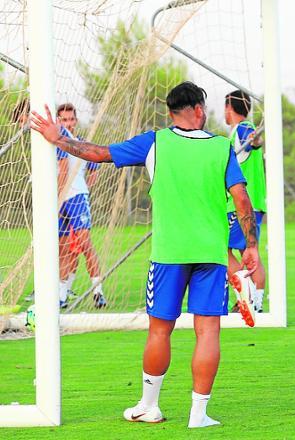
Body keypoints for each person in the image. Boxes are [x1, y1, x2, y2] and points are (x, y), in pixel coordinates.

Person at [31, 81, 259, 428]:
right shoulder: (221, 147)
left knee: (159, 331)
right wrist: (251, 246)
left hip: (168, 253)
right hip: (212, 254)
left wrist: (57, 137)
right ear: (199, 109)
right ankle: (198, 415)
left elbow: (98, 153)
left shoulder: (155, 141)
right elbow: (242, 199)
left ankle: (149, 406)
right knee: (208, 331)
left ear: (170, 113)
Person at [55, 103, 106, 308]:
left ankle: (98, 291)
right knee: (64, 250)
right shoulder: (55, 142)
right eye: (64, 119)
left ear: (75, 120)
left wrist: (84, 188)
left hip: (74, 198)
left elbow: (93, 169)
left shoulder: (80, 143)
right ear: (59, 121)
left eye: (71, 119)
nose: (68, 122)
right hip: (60, 199)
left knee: (85, 244)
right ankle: (62, 296)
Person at [224, 89, 266, 313]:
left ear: (229, 108)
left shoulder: (243, 129)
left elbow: (254, 142)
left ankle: (245, 295)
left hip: (241, 204)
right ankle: (255, 302)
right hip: (254, 203)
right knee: (250, 252)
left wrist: (255, 140)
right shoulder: (236, 133)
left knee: (221, 249)